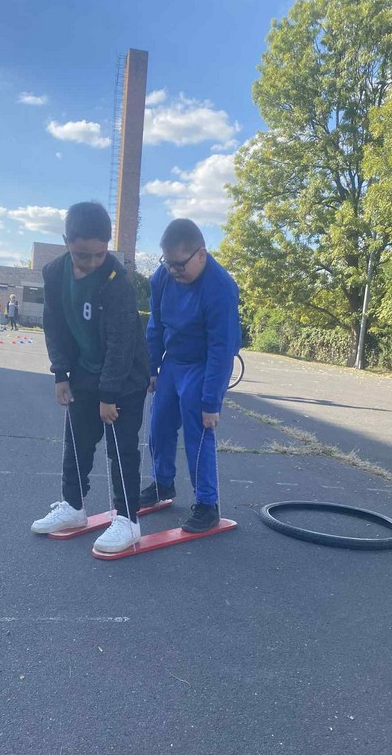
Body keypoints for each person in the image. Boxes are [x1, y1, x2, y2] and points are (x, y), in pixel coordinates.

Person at [31, 201, 149, 554]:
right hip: (84, 372)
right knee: (77, 443)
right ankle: (73, 507)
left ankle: (128, 520)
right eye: (83, 255)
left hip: (124, 379)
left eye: (100, 253)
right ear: (66, 241)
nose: (93, 262)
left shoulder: (116, 281)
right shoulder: (55, 274)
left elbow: (121, 342)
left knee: (121, 450)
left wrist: (109, 395)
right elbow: (54, 325)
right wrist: (60, 373)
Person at [140, 219, 241, 532]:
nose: (173, 271)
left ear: (201, 254)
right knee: (159, 426)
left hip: (203, 364)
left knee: (198, 432)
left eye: (179, 265)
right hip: (173, 362)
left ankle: (207, 505)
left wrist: (211, 402)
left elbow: (221, 350)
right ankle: (162, 485)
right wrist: (152, 367)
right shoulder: (162, 277)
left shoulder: (221, 289)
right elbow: (156, 324)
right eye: (167, 263)